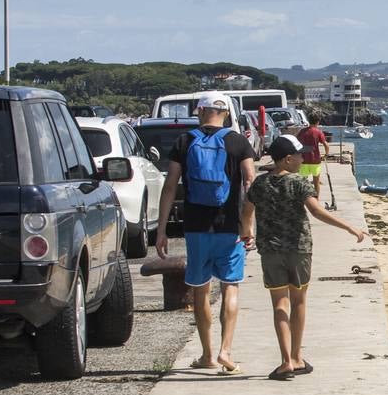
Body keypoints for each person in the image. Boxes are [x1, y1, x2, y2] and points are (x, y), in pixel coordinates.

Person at [242, 135, 366, 380]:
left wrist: (247, 233)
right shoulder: (299, 183)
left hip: (270, 251)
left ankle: (286, 360)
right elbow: (317, 211)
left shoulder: (260, 183)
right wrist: (349, 227)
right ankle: (297, 357)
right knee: (298, 301)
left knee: (279, 303)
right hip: (299, 250)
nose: (303, 158)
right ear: (288, 159)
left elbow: (246, 212)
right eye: (300, 155)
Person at [156, 92, 257, 374]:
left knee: (200, 291)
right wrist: (248, 223)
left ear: (199, 112)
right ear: (226, 114)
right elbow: (250, 181)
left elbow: (170, 186)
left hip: (196, 227)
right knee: (231, 287)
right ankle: (226, 350)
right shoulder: (237, 141)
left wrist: (162, 229)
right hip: (231, 228)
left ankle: (207, 355)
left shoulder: (184, 141)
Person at [295, 114, 331, 198]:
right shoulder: (318, 132)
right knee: (316, 182)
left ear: (308, 121)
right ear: (318, 122)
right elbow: (326, 145)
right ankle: (316, 199)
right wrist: (326, 154)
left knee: (303, 181)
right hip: (315, 160)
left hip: (303, 160)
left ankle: (303, 198)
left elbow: (296, 143)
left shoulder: (302, 131)